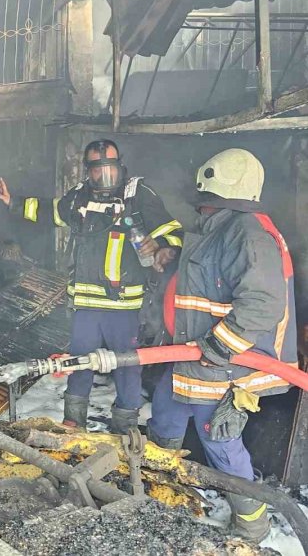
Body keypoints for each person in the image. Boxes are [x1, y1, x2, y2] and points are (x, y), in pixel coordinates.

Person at [147, 148, 298, 543]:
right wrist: (174, 252)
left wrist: (217, 346)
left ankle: (252, 523)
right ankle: (160, 486)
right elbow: (214, 275)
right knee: (165, 412)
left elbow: (263, 303)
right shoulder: (221, 224)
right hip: (194, 358)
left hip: (222, 363)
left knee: (219, 442)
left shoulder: (247, 232)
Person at [0, 139, 182, 433]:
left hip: (124, 306)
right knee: (78, 364)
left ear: (120, 166)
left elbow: (170, 230)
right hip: (85, 304)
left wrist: (163, 248)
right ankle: (73, 423)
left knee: (127, 366)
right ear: (88, 171)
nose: (104, 176)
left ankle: (126, 430)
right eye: (97, 170)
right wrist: (14, 203)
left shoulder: (138, 196)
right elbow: (52, 211)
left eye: (110, 168)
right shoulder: (79, 198)